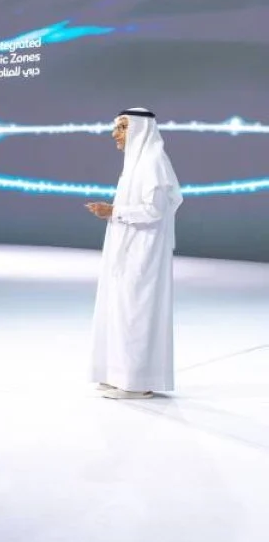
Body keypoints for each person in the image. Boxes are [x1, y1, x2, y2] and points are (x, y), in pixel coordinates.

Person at [85, 107, 183, 400]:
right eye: (116, 127)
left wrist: (114, 211)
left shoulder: (153, 162)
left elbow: (155, 210)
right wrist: (114, 212)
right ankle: (119, 376)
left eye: (122, 127)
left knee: (136, 313)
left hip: (143, 253)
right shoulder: (136, 164)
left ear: (140, 129)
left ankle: (138, 383)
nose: (115, 133)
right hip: (127, 249)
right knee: (120, 310)